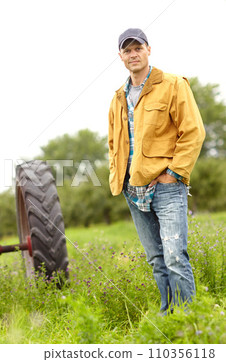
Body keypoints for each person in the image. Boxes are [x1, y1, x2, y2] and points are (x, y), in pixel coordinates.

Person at [108, 28, 205, 314]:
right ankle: (167, 315)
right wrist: (120, 178)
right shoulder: (117, 98)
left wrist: (174, 173)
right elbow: (114, 143)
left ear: (149, 50)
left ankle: (188, 322)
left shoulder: (174, 85)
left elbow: (194, 133)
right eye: (127, 50)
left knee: (175, 256)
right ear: (121, 57)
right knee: (156, 259)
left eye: (138, 48)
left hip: (166, 186)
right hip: (133, 188)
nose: (133, 54)